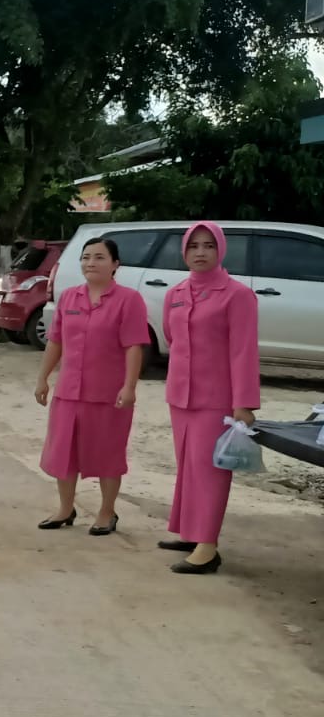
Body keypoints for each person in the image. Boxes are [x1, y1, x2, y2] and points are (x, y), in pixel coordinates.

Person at [159, 222, 260, 575]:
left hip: (218, 398)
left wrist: (244, 403)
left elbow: (243, 351)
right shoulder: (176, 293)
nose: (200, 252)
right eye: (193, 246)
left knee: (210, 470)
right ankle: (191, 532)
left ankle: (208, 547)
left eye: (208, 246)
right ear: (184, 251)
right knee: (187, 465)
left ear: (221, 250)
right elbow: (172, 338)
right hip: (181, 395)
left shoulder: (236, 294)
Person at [33, 237, 150, 535]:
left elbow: (134, 346)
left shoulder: (129, 299)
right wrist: (43, 378)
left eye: (99, 257)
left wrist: (129, 386)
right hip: (69, 391)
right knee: (64, 451)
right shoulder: (70, 298)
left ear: (115, 264)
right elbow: (56, 341)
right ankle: (65, 508)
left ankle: (107, 512)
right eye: (86, 257)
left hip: (109, 394)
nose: (90, 263)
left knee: (108, 453)